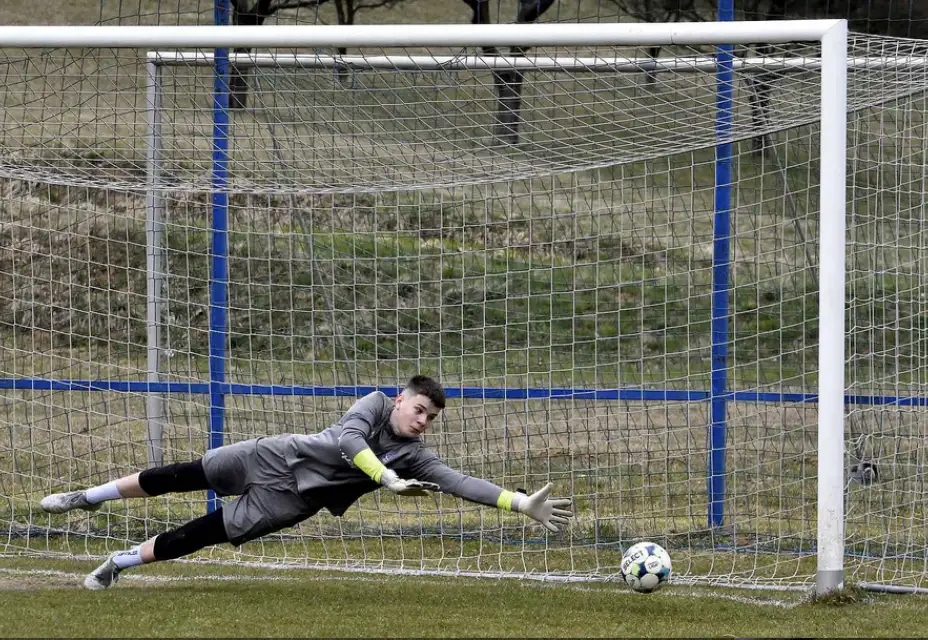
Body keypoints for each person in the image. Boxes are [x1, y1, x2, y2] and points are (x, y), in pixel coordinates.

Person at [40, 374, 574, 590]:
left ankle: (118, 565)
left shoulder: (416, 457)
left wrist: (519, 502)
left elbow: (459, 482)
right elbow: (348, 443)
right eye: (419, 410)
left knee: (204, 533)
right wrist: (385, 479)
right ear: (400, 400)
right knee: (179, 474)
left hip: (290, 502)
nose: (423, 421)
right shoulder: (371, 405)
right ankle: (86, 497)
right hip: (272, 457)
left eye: (432, 417)